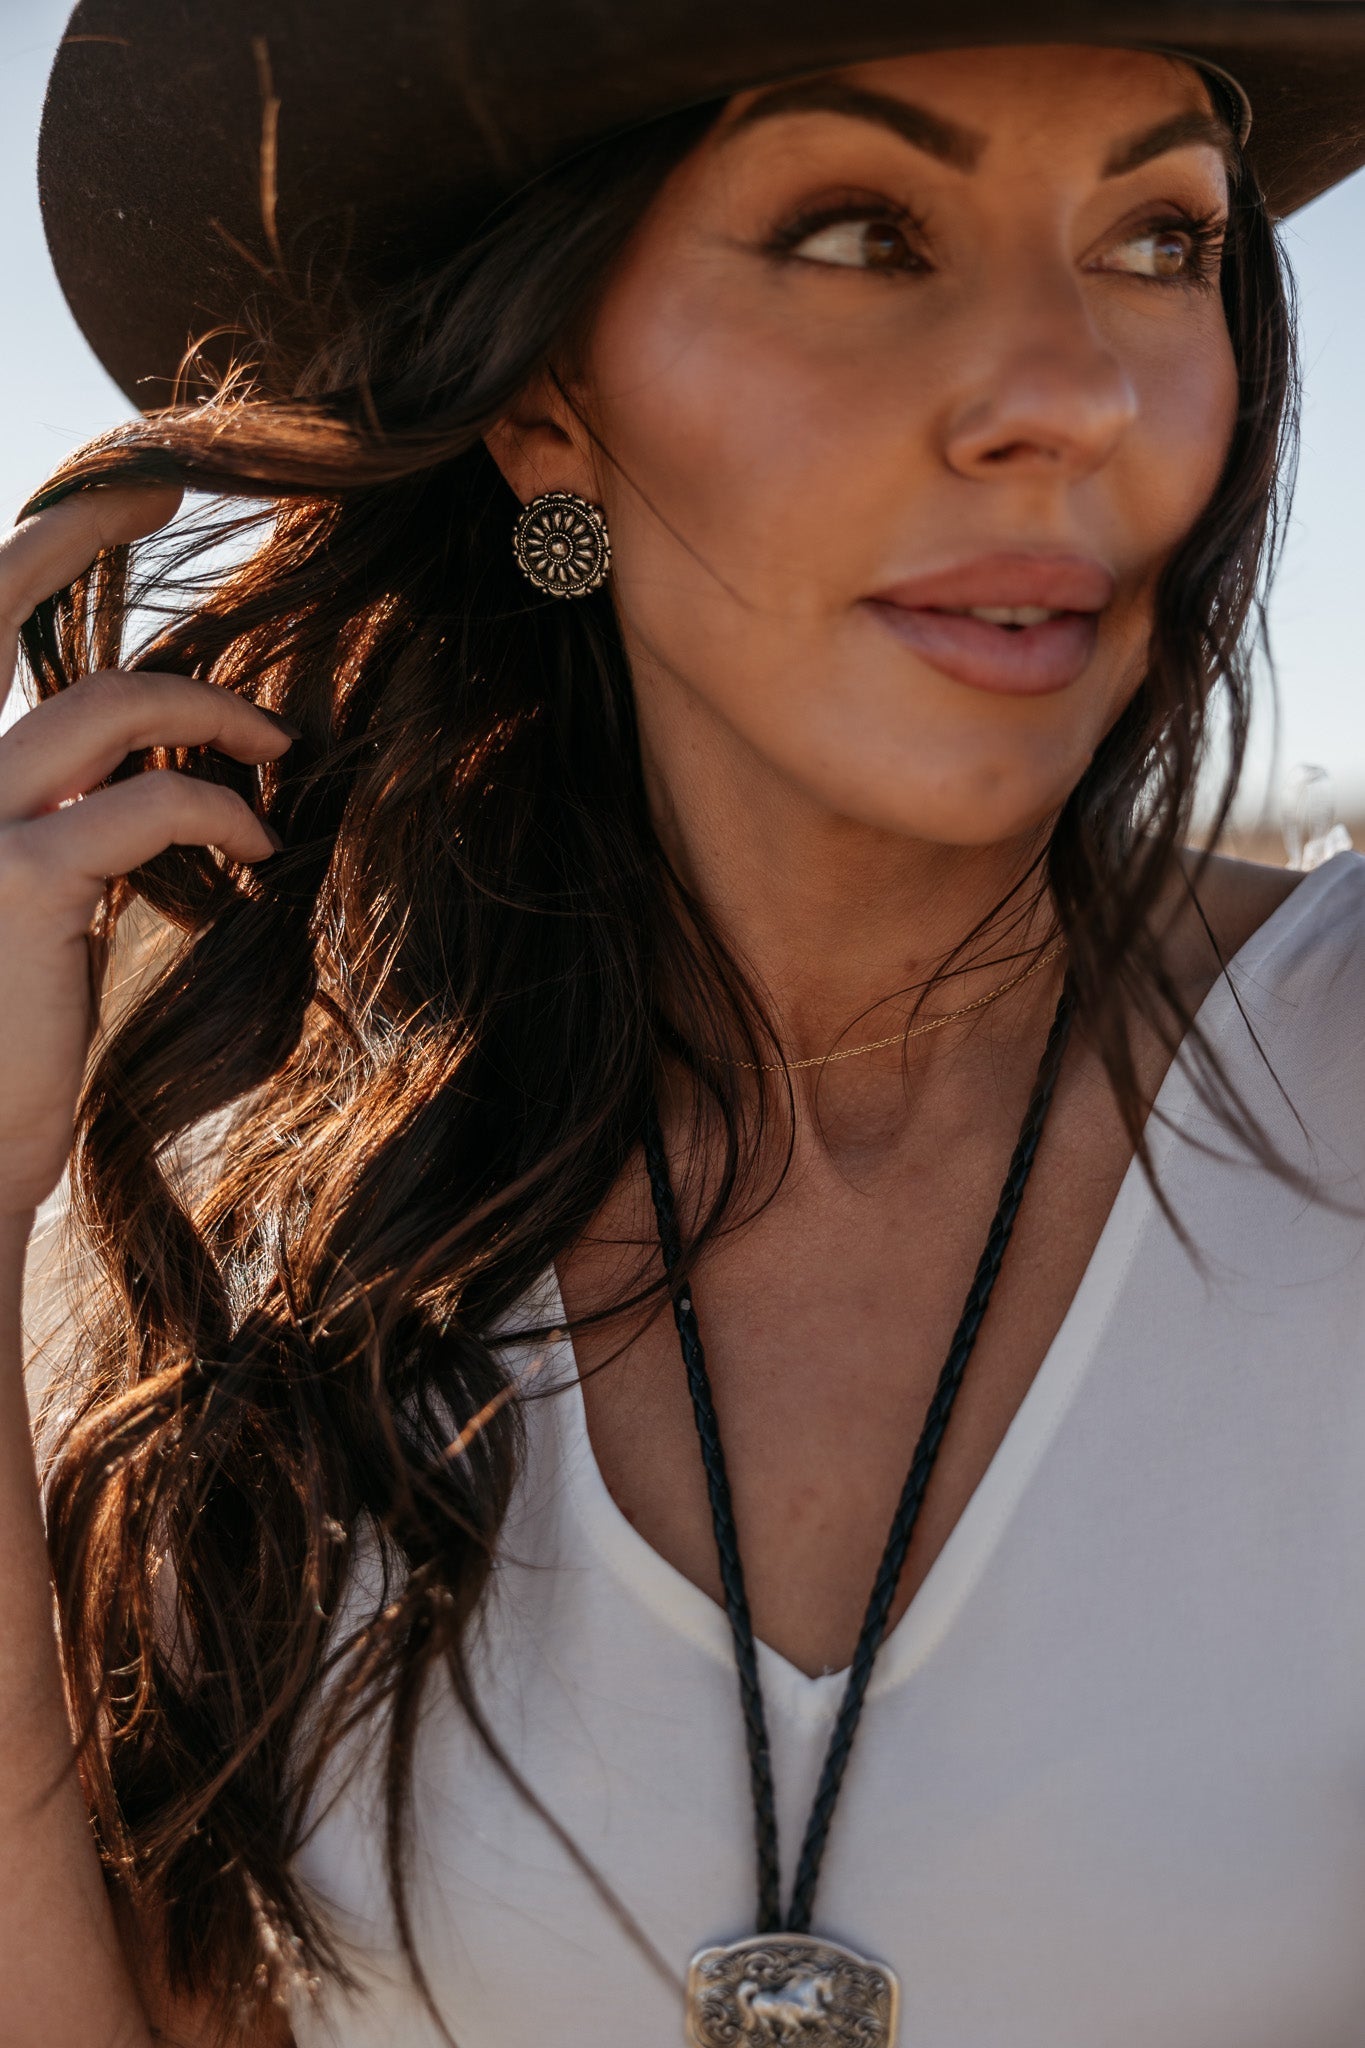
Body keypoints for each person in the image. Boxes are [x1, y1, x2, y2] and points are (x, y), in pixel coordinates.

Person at [4, 3, 1365, 2044]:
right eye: (853, 235)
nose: (1072, 392)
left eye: (1159, 243)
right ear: (545, 405)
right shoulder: (262, 1233)